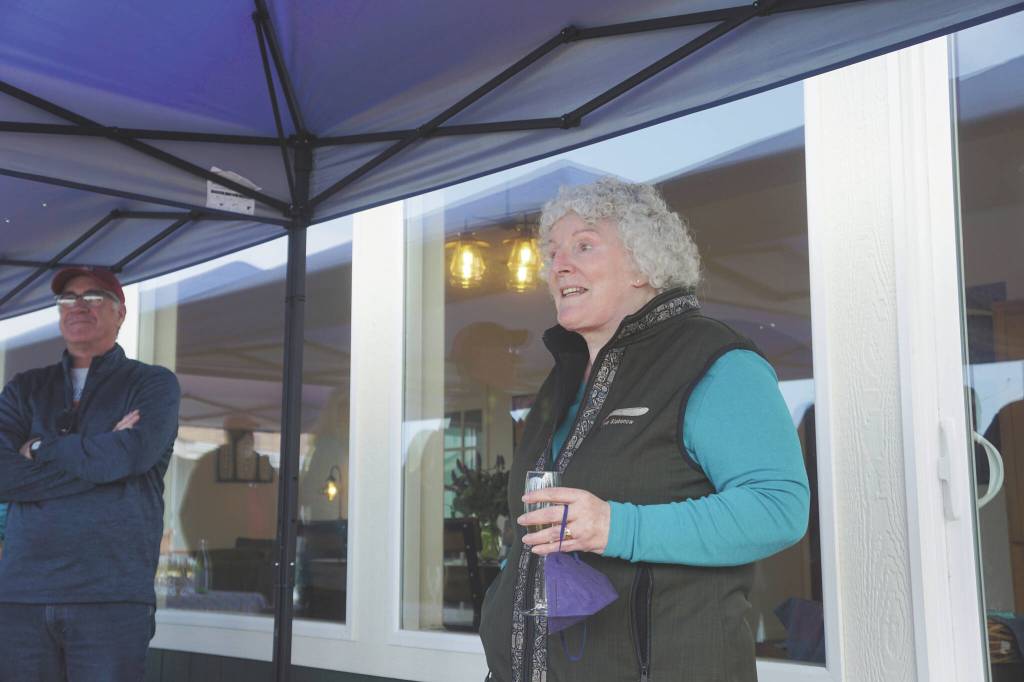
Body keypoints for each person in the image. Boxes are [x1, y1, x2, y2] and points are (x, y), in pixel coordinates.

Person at [479, 178, 810, 682]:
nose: (558, 265)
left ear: (642, 263)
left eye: (583, 245)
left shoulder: (715, 361)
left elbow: (778, 507)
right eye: (552, 253)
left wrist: (617, 526)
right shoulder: (564, 379)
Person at [0, 266, 181, 681]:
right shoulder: (26, 388)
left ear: (120, 313)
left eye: (94, 296)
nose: (78, 306)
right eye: (68, 299)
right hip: (22, 595)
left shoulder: (152, 384)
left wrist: (41, 448)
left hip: (110, 596)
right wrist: (100, 458)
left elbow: (131, 455)